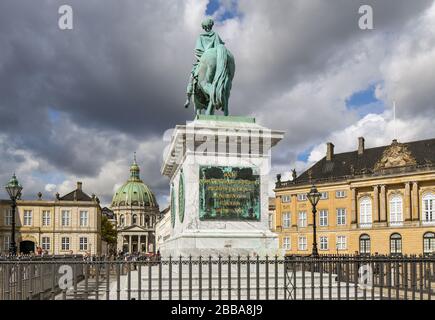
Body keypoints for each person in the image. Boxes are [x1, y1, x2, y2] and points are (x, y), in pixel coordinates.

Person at [185, 18, 225, 108]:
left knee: (191, 77)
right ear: (211, 26)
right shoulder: (216, 35)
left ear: (204, 27)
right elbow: (219, 48)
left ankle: (188, 99)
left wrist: (203, 58)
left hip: (203, 60)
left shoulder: (201, 37)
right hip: (217, 59)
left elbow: (197, 51)